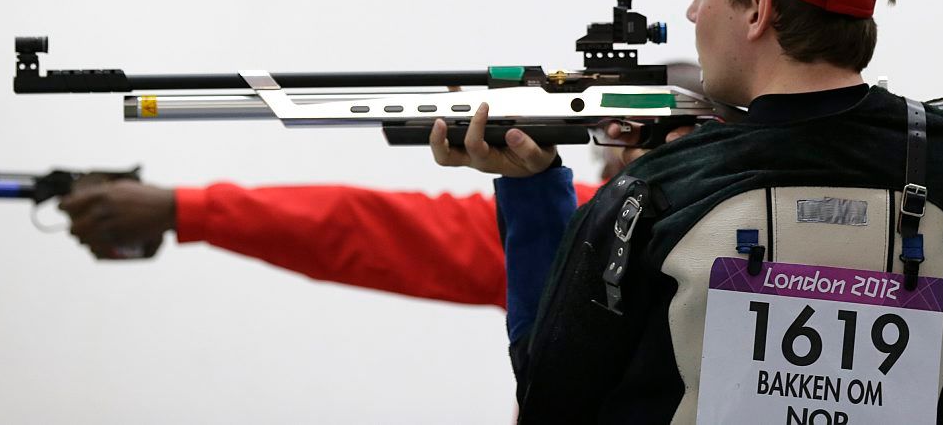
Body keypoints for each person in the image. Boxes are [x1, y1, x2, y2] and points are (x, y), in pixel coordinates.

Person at [430, 0, 943, 424]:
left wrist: (532, 189)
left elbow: (550, 398)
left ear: (757, 9)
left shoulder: (655, 195)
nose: (692, 11)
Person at [56, 162, 610, 306]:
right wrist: (189, 210)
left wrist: (190, 210)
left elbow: (366, 231)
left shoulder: (603, 222)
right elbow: (368, 229)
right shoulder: (597, 218)